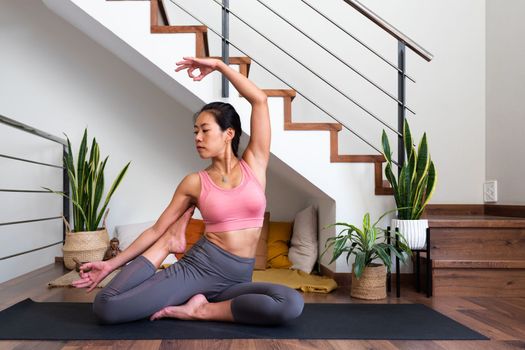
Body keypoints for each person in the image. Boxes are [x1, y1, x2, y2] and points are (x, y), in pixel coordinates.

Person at [72, 57, 304, 326]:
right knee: (107, 308)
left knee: (290, 303)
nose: (197, 138)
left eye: (205, 130)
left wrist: (219, 65)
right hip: (198, 269)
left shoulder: (255, 163)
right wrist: (111, 264)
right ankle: (172, 244)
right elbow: (155, 229)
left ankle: (201, 309)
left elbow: (260, 100)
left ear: (229, 134)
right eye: (195, 132)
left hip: (238, 278)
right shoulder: (195, 182)